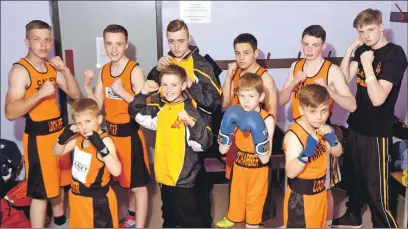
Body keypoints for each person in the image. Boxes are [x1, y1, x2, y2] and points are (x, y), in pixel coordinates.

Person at [333, 8, 408, 228]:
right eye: (361, 31)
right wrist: (349, 52)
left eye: (370, 29)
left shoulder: (395, 54)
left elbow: (377, 98)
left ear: (381, 26)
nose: (366, 35)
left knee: (378, 192)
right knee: (354, 179)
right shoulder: (363, 49)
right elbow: (344, 78)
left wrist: (367, 64)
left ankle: (384, 225)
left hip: (377, 131)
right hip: (356, 124)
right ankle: (354, 214)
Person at [278, 25, 356, 228]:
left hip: (321, 129)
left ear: (324, 45)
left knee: (324, 184)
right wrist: (294, 82)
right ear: (300, 43)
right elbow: (281, 100)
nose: (310, 49)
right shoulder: (296, 66)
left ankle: (325, 223)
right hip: (298, 129)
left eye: (315, 45)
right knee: (296, 180)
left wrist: (329, 90)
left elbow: (352, 104)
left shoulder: (331, 70)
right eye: (306, 44)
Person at [4, 20, 80, 228]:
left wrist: (64, 69)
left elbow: (74, 93)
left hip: (58, 134)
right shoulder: (20, 71)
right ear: (27, 42)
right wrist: (39, 94)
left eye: (47, 39)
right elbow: (10, 112)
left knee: (60, 183)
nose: (43, 45)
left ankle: (60, 221)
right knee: (40, 192)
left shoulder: (50, 67)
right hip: (38, 139)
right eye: (37, 39)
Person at [147, 19, 221, 227]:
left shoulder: (202, 64)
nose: (176, 46)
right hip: (170, 133)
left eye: (181, 41)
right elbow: (152, 94)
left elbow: (213, 103)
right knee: (168, 189)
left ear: (189, 38)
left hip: (195, 134)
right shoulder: (164, 63)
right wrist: (155, 72)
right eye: (171, 42)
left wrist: (191, 84)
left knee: (196, 194)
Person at [129, 64, 213, 228]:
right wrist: (144, 92)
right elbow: (135, 112)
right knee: (168, 216)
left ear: (183, 85)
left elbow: (203, 144)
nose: (168, 89)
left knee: (190, 220)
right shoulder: (160, 106)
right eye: (165, 84)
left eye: (174, 85)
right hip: (163, 175)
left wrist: (191, 123)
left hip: (183, 178)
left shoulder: (190, 110)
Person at [84, 24, 150, 228]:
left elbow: (143, 108)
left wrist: (122, 92)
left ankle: (140, 226)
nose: (114, 49)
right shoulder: (104, 70)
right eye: (109, 44)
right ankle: (131, 215)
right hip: (111, 136)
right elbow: (97, 105)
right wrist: (87, 85)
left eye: (119, 44)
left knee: (138, 186)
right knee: (124, 182)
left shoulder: (134, 70)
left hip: (130, 135)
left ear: (126, 45)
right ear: (104, 45)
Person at [52, 98, 121, 228]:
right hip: (77, 197)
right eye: (79, 123)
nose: (83, 127)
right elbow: (57, 152)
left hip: (97, 202)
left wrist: (101, 147)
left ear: (99, 120)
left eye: (87, 121)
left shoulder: (105, 141)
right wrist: (62, 137)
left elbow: (117, 171)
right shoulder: (79, 138)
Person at [217, 73, 274, 228]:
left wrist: (258, 131)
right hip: (239, 167)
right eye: (242, 96)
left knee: (253, 215)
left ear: (261, 97)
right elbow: (222, 150)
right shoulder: (235, 114)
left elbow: (265, 158)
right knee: (237, 210)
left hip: (258, 169)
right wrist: (226, 130)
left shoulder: (267, 119)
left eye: (251, 96)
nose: (246, 101)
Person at [282, 84, 343, 228]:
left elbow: (338, 152)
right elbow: (290, 173)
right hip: (301, 198)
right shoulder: (294, 136)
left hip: (320, 193)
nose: (320, 117)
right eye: (313, 111)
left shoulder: (321, 128)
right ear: (301, 109)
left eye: (324, 110)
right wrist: (306, 152)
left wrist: (332, 138)